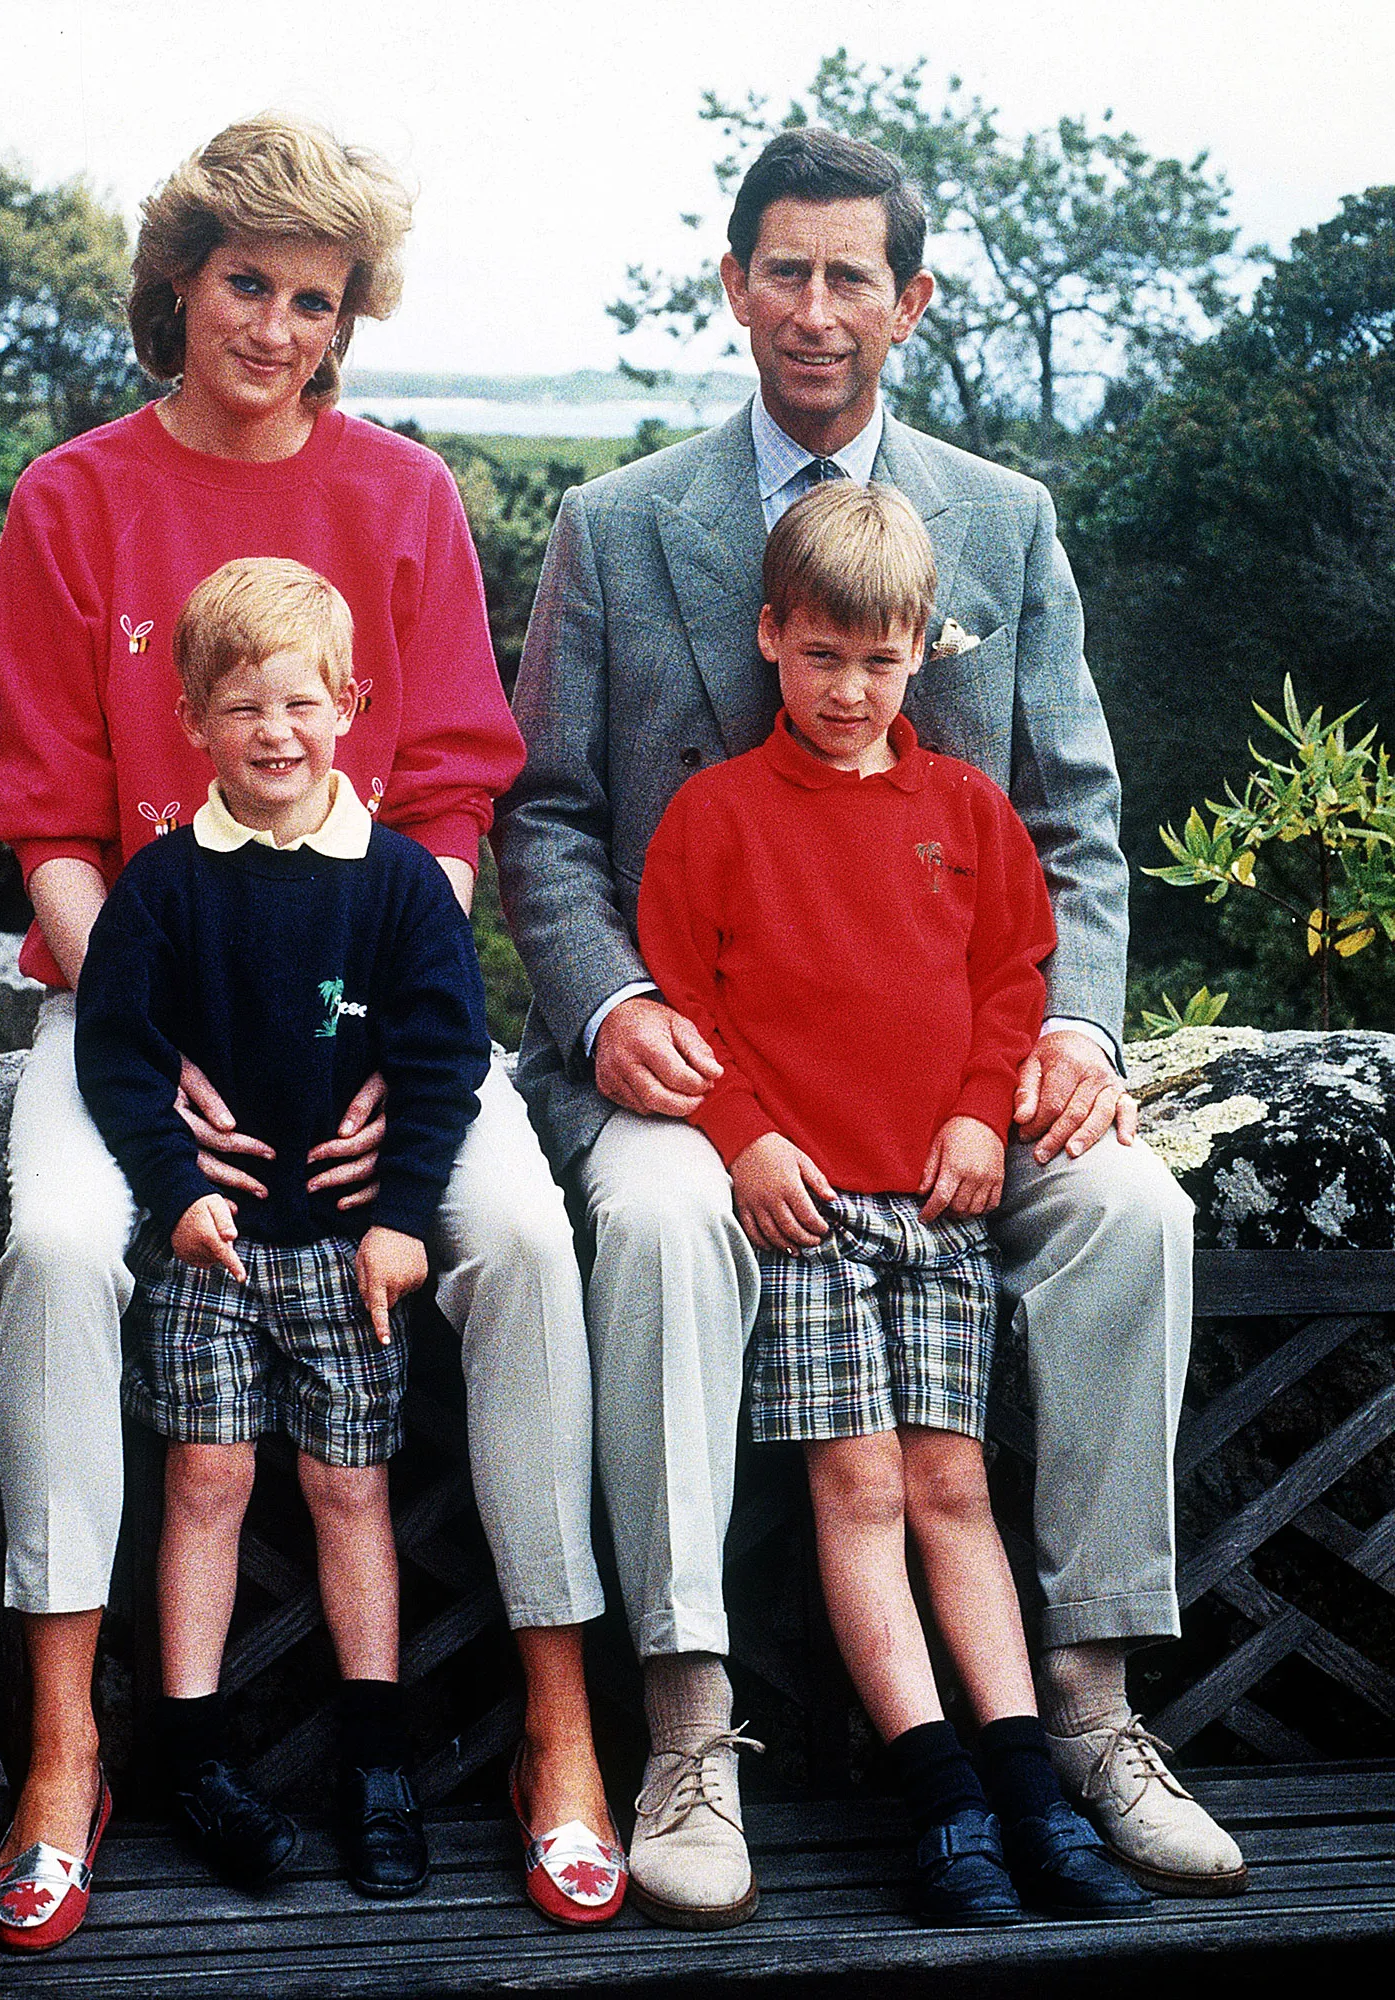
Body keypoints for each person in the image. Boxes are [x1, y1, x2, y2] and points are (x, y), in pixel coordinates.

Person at [495, 125, 1246, 1922]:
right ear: (732, 281)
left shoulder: (1001, 522)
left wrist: (1070, 1033)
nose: (814, 310)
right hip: (706, 1076)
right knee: (665, 1221)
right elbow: (540, 817)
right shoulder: (616, 526)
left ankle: (1084, 1707)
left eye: (852, 277)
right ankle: (686, 1721)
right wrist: (605, 1006)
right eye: (782, 270)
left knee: (1131, 1210)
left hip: (954, 1089)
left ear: (908, 300)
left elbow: (1065, 819)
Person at [0, 113, 621, 1951]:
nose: (274, 326)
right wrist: (143, 1022)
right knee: (52, 1246)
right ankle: (61, 1754)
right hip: (132, 999)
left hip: (369, 1014)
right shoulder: (69, 499)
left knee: (515, 1234)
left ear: (349, 322)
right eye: (245, 284)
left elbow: (445, 811)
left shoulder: (403, 499)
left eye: (314, 300)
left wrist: (371, 1066)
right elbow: (45, 823)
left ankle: (560, 1732)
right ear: (178, 282)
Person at [638, 478, 1149, 1924]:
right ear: (768, 640)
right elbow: (682, 1009)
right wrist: (740, 1138)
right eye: (818, 657)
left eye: (877, 660)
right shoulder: (714, 815)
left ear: (920, 647)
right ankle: (938, 1802)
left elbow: (1010, 982)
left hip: (936, 1204)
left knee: (950, 1490)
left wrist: (981, 1113)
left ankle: (1029, 1792)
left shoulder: (965, 812)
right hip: (803, 1213)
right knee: (855, 1491)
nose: (847, 689)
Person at [74, 557, 488, 1900]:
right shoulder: (160, 889)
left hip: (349, 1251)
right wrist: (173, 1194)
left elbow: (442, 1062)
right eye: (241, 707)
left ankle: (377, 1756)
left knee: (350, 1489)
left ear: (352, 706)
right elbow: (122, 1061)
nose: (275, 733)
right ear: (191, 719)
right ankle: (190, 1751)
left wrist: (409, 1218)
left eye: (303, 704)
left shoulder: (399, 888)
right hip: (216, 1248)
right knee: (204, 1485)